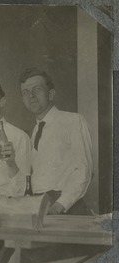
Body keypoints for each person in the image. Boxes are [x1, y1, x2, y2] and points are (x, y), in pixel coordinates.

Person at [19, 67, 93, 215]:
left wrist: (59, 205)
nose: (31, 96)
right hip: (41, 205)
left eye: (37, 89)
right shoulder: (34, 131)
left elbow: (83, 170)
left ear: (51, 94)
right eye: (25, 92)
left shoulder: (72, 121)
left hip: (66, 207)